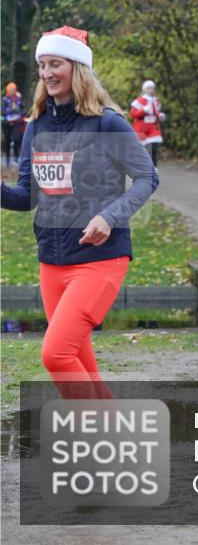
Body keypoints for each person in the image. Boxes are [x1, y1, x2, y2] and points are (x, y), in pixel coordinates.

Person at [0, 26, 158, 398]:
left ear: (77, 67)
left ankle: (92, 430)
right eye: (42, 65)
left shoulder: (107, 122)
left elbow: (147, 177)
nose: (46, 73)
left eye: (55, 63)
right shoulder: (36, 125)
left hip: (99, 259)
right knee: (80, 361)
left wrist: (109, 217)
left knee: (56, 354)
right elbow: (27, 197)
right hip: (51, 261)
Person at [129, 80, 166, 166]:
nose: (150, 90)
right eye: (148, 88)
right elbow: (133, 114)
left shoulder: (156, 101)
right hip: (141, 129)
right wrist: (143, 110)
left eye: (152, 88)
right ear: (144, 89)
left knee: (153, 149)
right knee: (142, 150)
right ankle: (141, 168)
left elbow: (155, 113)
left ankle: (153, 169)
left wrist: (160, 116)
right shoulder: (139, 101)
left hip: (153, 128)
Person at [2, 82, 26, 168]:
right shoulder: (4, 99)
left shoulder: (18, 99)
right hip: (6, 122)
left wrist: (19, 102)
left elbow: (24, 110)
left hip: (16, 122)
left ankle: (16, 157)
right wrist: (11, 110)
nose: (12, 91)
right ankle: (8, 159)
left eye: (14, 89)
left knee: (17, 139)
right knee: (7, 140)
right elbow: (2, 111)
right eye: (11, 89)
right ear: (8, 90)